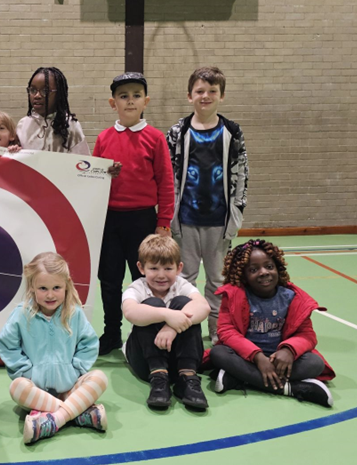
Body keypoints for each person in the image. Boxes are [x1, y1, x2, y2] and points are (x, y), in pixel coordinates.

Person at [93, 72, 175, 355]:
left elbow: (165, 181)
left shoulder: (154, 138)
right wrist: (105, 174)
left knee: (146, 279)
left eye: (136, 95)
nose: (130, 101)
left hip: (143, 220)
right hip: (110, 221)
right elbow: (93, 180)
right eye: (123, 96)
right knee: (110, 280)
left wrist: (163, 222)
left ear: (146, 101)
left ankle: (146, 330)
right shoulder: (103, 138)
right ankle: (112, 332)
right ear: (112, 102)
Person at [166, 66, 249, 344]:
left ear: (221, 95)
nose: (206, 96)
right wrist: (168, 216)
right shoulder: (178, 131)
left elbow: (241, 174)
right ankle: (185, 328)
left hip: (218, 220)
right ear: (189, 96)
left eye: (212, 91)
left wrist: (236, 213)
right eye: (200, 91)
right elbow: (169, 175)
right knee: (185, 277)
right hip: (185, 220)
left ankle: (217, 331)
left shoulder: (232, 132)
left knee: (217, 281)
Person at [0, 252, 108, 445]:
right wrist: (26, 372)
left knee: (99, 378)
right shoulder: (21, 314)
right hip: (36, 391)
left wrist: (77, 370)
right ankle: (76, 413)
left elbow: (88, 344)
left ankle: (53, 420)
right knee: (16, 387)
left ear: (66, 285)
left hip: (69, 387)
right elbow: (7, 345)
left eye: (56, 287)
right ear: (32, 287)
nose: (50, 294)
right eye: (43, 288)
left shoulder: (75, 313)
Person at [208, 239, 335, 407]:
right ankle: (291, 388)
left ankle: (240, 378)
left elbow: (307, 335)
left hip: (281, 360)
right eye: (254, 270)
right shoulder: (234, 295)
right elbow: (226, 330)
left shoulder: (292, 298)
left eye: (269, 266)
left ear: (278, 268)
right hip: (247, 357)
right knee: (218, 353)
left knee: (315, 364)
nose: (263, 272)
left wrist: (289, 350)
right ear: (243, 275)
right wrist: (257, 357)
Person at [122, 234, 210, 410]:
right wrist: (166, 315)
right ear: (141, 268)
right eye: (154, 268)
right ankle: (158, 377)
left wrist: (172, 327)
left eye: (168, 268)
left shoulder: (181, 285)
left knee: (184, 303)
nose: (161, 275)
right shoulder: (137, 287)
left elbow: (203, 306)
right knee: (151, 305)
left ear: (179, 268)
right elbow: (130, 311)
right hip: (146, 361)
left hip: (177, 357)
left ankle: (188, 377)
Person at [16, 67, 89, 155]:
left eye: (45, 91)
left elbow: (83, 162)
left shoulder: (70, 125)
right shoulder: (23, 125)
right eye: (33, 90)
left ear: (59, 94)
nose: (37, 95)